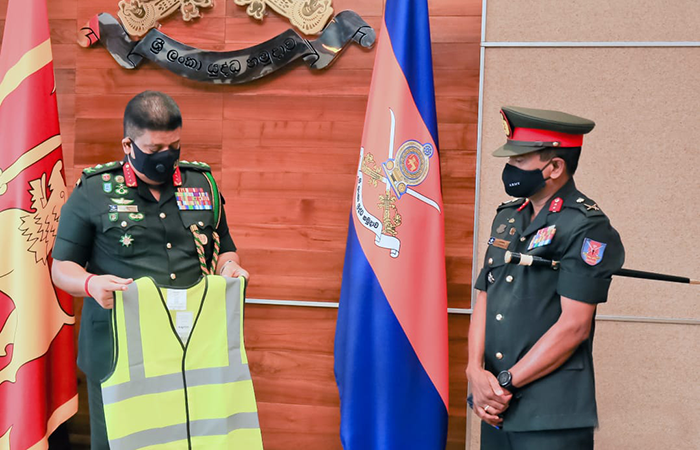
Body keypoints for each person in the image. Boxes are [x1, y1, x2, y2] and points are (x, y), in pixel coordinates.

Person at [51, 91, 248, 449]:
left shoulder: (201, 184)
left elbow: (223, 246)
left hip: (187, 345)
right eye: (155, 149)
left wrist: (230, 267)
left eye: (173, 146)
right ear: (128, 144)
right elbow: (61, 268)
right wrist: (91, 283)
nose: (166, 157)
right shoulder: (94, 192)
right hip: (119, 345)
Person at [466, 106, 625, 450]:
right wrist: (475, 372)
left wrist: (504, 384)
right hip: (496, 406)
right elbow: (484, 296)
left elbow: (574, 326)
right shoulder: (508, 217)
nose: (510, 169)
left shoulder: (585, 225)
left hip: (550, 413)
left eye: (520, 161)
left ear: (554, 167)